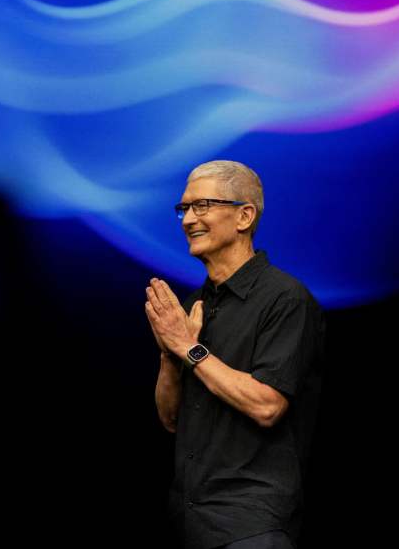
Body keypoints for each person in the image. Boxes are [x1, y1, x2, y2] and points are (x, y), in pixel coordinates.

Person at [146, 160, 326, 549]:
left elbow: (267, 405)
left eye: (202, 206)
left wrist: (189, 349)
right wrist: (168, 354)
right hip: (190, 524)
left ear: (244, 216)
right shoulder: (192, 306)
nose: (188, 220)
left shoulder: (285, 298)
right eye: (184, 208)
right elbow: (171, 419)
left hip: (251, 526)